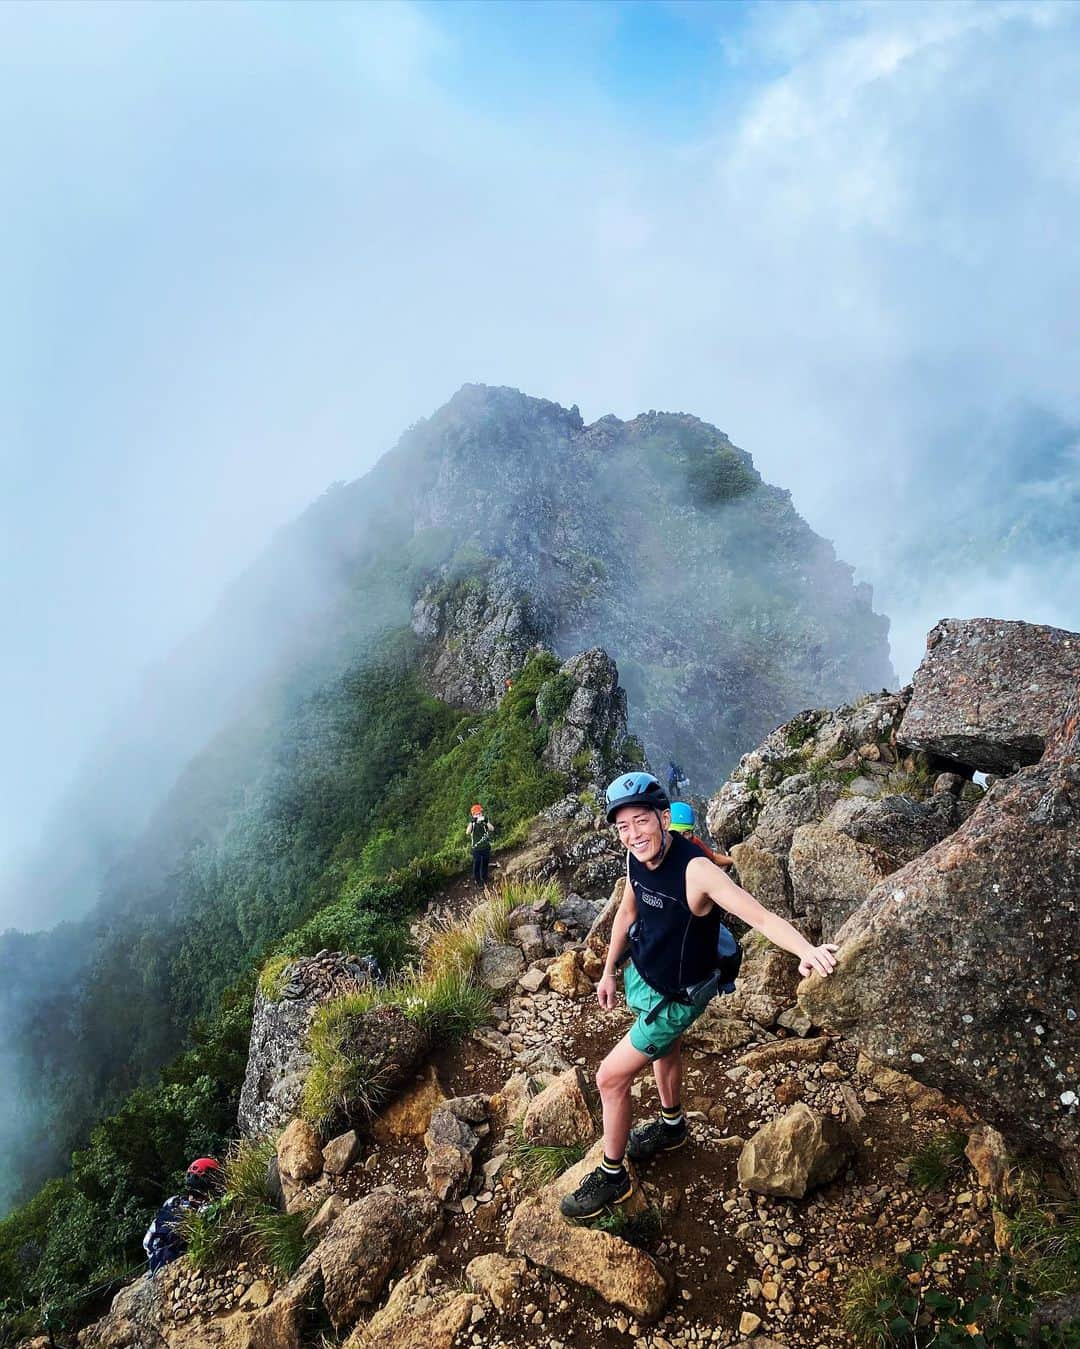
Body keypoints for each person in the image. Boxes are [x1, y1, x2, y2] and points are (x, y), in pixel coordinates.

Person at [559, 772, 838, 1220]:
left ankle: (613, 1176)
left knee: (609, 1078)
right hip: (646, 976)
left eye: (641, 822)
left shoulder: (697, 872)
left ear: (664, 819)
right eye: (623, 827)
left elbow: (762, 918)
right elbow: (627, 912)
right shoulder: (635, 858)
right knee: (664, 1052)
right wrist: (609, 971)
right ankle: (672, 1127)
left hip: (679, 997)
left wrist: (806, 949)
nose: (632, 835)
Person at [143, 1157, 224, 1273]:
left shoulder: (173, 1202)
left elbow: (147, 1242)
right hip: (186, 1268)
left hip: (158, 1264)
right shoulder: (208, 1209)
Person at [668, 800, 733, 867]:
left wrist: (735, 859)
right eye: (676, 833)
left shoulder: (694, 843)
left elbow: (713, 858)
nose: (681, 838)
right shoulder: (659, 852)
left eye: (686, 833)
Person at [466, 804, 495, 887]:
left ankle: (485, 878)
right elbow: (467, 832)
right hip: (476, 849)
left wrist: (486, 821)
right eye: (476, 814)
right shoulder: (472, 823)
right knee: (477, 864)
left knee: (485, 863)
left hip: (485, 846)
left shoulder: (484, 821)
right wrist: (472, 822)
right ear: (473, 815)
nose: (478, 815)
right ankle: (478, 881)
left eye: (479, 813)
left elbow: (492, 829)